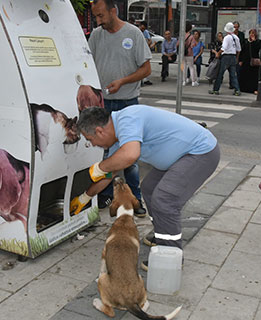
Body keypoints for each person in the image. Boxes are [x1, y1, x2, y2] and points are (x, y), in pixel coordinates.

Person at [71, 106, 220, 269]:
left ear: (99, 131)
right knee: (149, 188)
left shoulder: (127, 119)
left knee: (165, 199)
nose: (92, 145)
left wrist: (99, 167)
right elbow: (109, 175)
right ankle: (163, 233)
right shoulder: (117, 137)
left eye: (90, 139)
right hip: (179, 157)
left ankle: (170, 257)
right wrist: (85, 197)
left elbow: (129, 155)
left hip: (200, 152)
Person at [88, 0, 152, 215]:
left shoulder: (134, 34)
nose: (98, 21)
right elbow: (87, 63)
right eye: (95, 17)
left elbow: (146, 69)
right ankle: (106, 196)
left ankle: (136, 198)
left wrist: (122, 82)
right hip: (104, 103)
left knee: (130, 156)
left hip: (127, 103)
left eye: (100, 16)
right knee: (106, 154)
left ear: (113, 11)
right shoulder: (97, 35)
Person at [209, 22, 241, 96]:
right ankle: (237, 90)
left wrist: (218, 54)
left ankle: (216, 89)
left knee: (220, 73)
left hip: (226, 57)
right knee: (233, 75)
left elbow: (223, 48)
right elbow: (239, 50)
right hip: (233, 57)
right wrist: (237, 58)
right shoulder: (236, 37)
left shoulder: (227, 37)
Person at [238, 28, 261, 94]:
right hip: (246, 61)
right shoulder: (246, 41)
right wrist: (240, 60)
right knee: (244, 74)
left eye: (253, 33)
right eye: (251, 33)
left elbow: (257, 49)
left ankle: (253, 89)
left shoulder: (258, 42)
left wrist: (254, 41)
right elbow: (242, 51)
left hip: (253, 61)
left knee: (253, 76)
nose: (252, 35)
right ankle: (243, 88)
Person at [183, 21, 199, 86]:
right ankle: (193, 81)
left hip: (182, 54)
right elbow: (193, 45)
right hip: (189, 53)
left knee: (183, 67)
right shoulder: (191, 37)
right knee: (191, 67)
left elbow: (177, 44)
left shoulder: (182, 35)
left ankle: (183, 81)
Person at [139, 21, 154, 85]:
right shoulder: (136, 31)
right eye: (142, 28)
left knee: (145, 65)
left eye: (144, 29)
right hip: (138, 50)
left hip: (144, 50)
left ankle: (145, 79)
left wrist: (146, 45)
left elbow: (150, 40)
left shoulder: (145, 32)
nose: (143, 30)